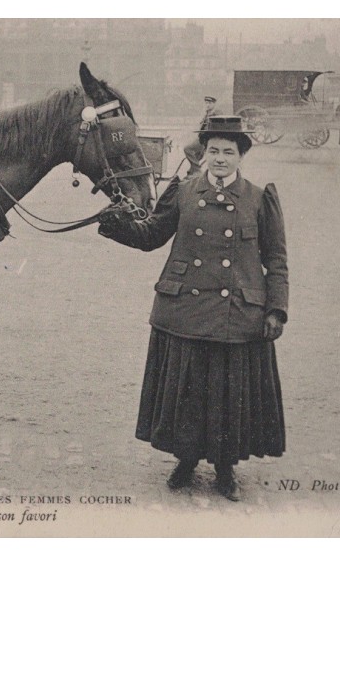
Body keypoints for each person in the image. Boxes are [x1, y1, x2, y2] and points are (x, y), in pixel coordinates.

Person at [98, 115, 288, 502]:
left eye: (228, 152)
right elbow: (151, 235)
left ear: (240, 156)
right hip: (184, 308)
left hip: (237, 314)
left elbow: (277, 260)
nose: (220, 159)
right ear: (204, 154)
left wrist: (276, 310)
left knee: (228, 392)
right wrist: (113, 221)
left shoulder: (257, 197)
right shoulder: (183, 191)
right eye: (213, 151)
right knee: (188, 388)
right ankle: (185, 460)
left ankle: (225, 468)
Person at [183, 95, 218, 176]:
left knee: (187, 149)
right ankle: (193, 171)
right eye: (206, 103)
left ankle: (197, 169)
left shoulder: (214, 114)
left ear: (214, 104)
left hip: (205, 139)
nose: (207, 105)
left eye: (209, 103)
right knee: (196, 155)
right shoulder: (208, 113)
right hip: (202, 137)